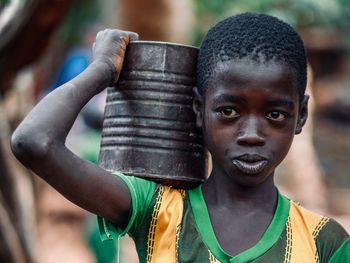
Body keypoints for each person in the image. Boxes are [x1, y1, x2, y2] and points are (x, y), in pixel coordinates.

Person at [11, 13, 349, 262]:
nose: (251, 135)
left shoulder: (325, 243)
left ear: (301, 116)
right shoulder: (156, 209)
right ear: (199, 110)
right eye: (229, 112)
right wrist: (101, 69)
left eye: (275, 115)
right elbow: (33, 142)